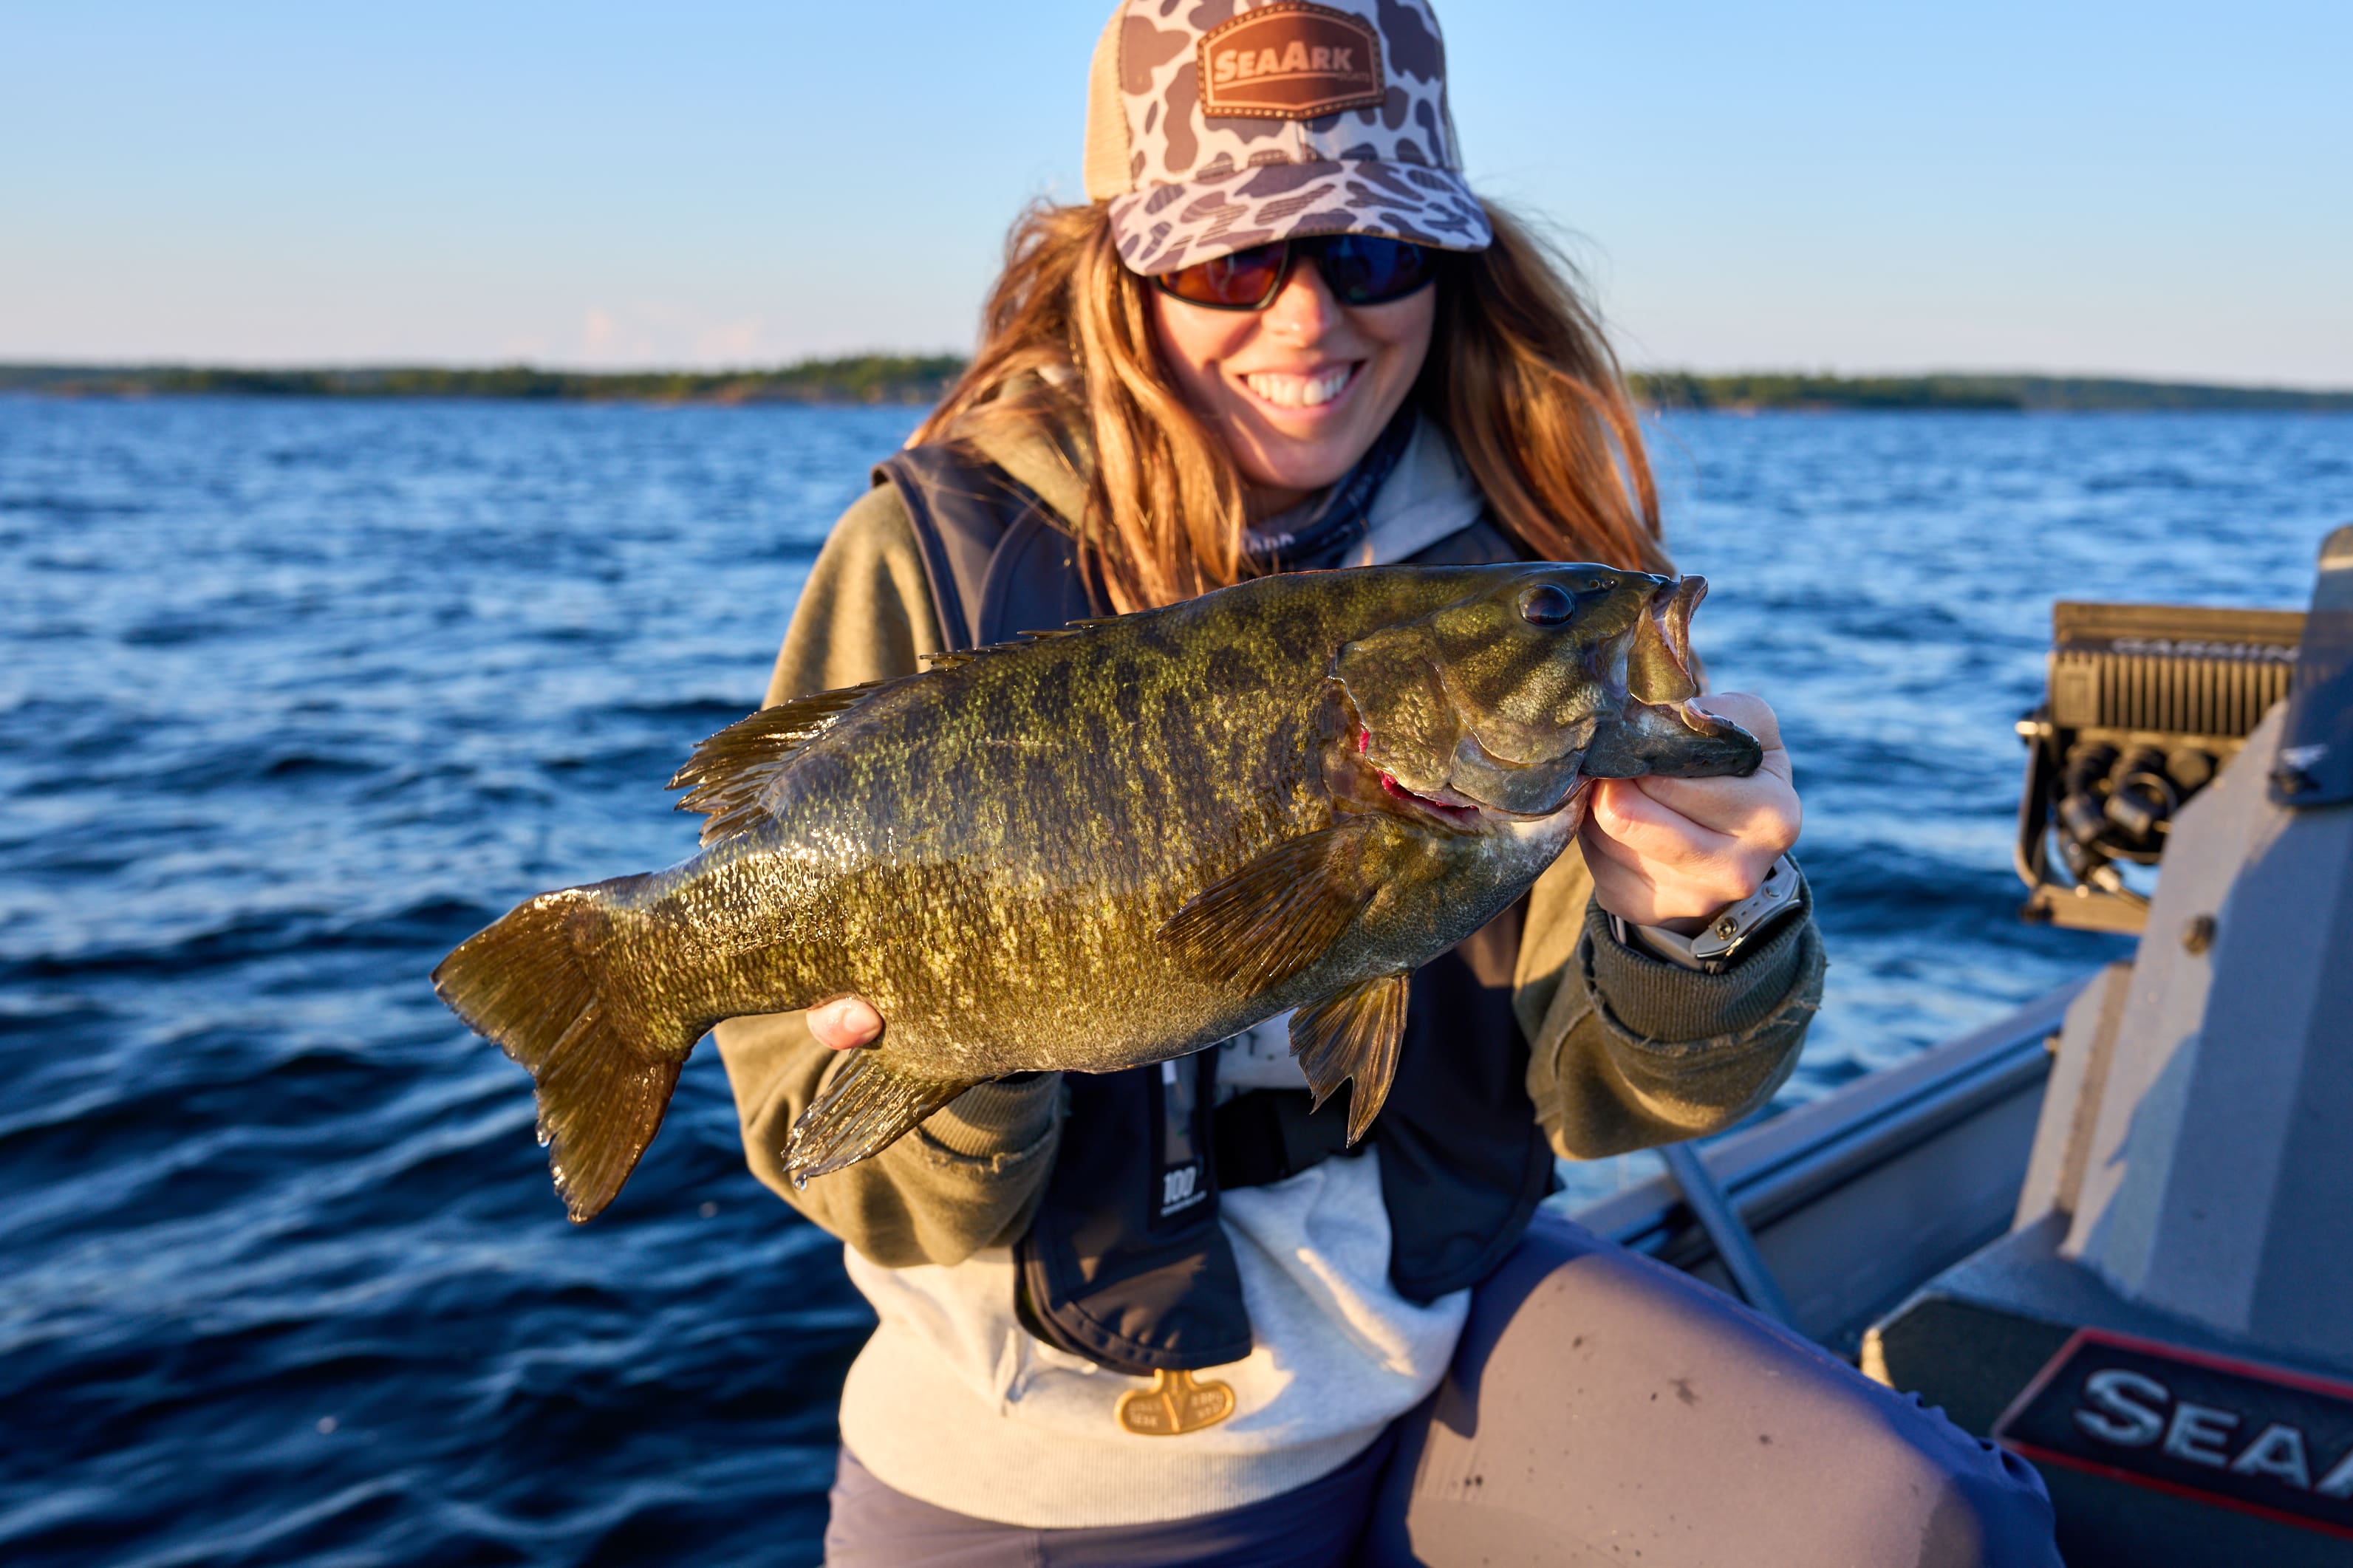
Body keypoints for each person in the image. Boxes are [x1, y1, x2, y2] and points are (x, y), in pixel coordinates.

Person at [714, 4, 2062, 1563]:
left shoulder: (1522, 578)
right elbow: (869, 1182)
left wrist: (1703, 930)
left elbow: (1619, 1096)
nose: (1307, 319)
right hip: (1042, 1465)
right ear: (1117, 271)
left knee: (1935, 1527)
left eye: (1369, 256)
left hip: (1436, 1337)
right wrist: (990, 1024)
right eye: (1231, 262)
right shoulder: (938, 566)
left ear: (1449, 262)